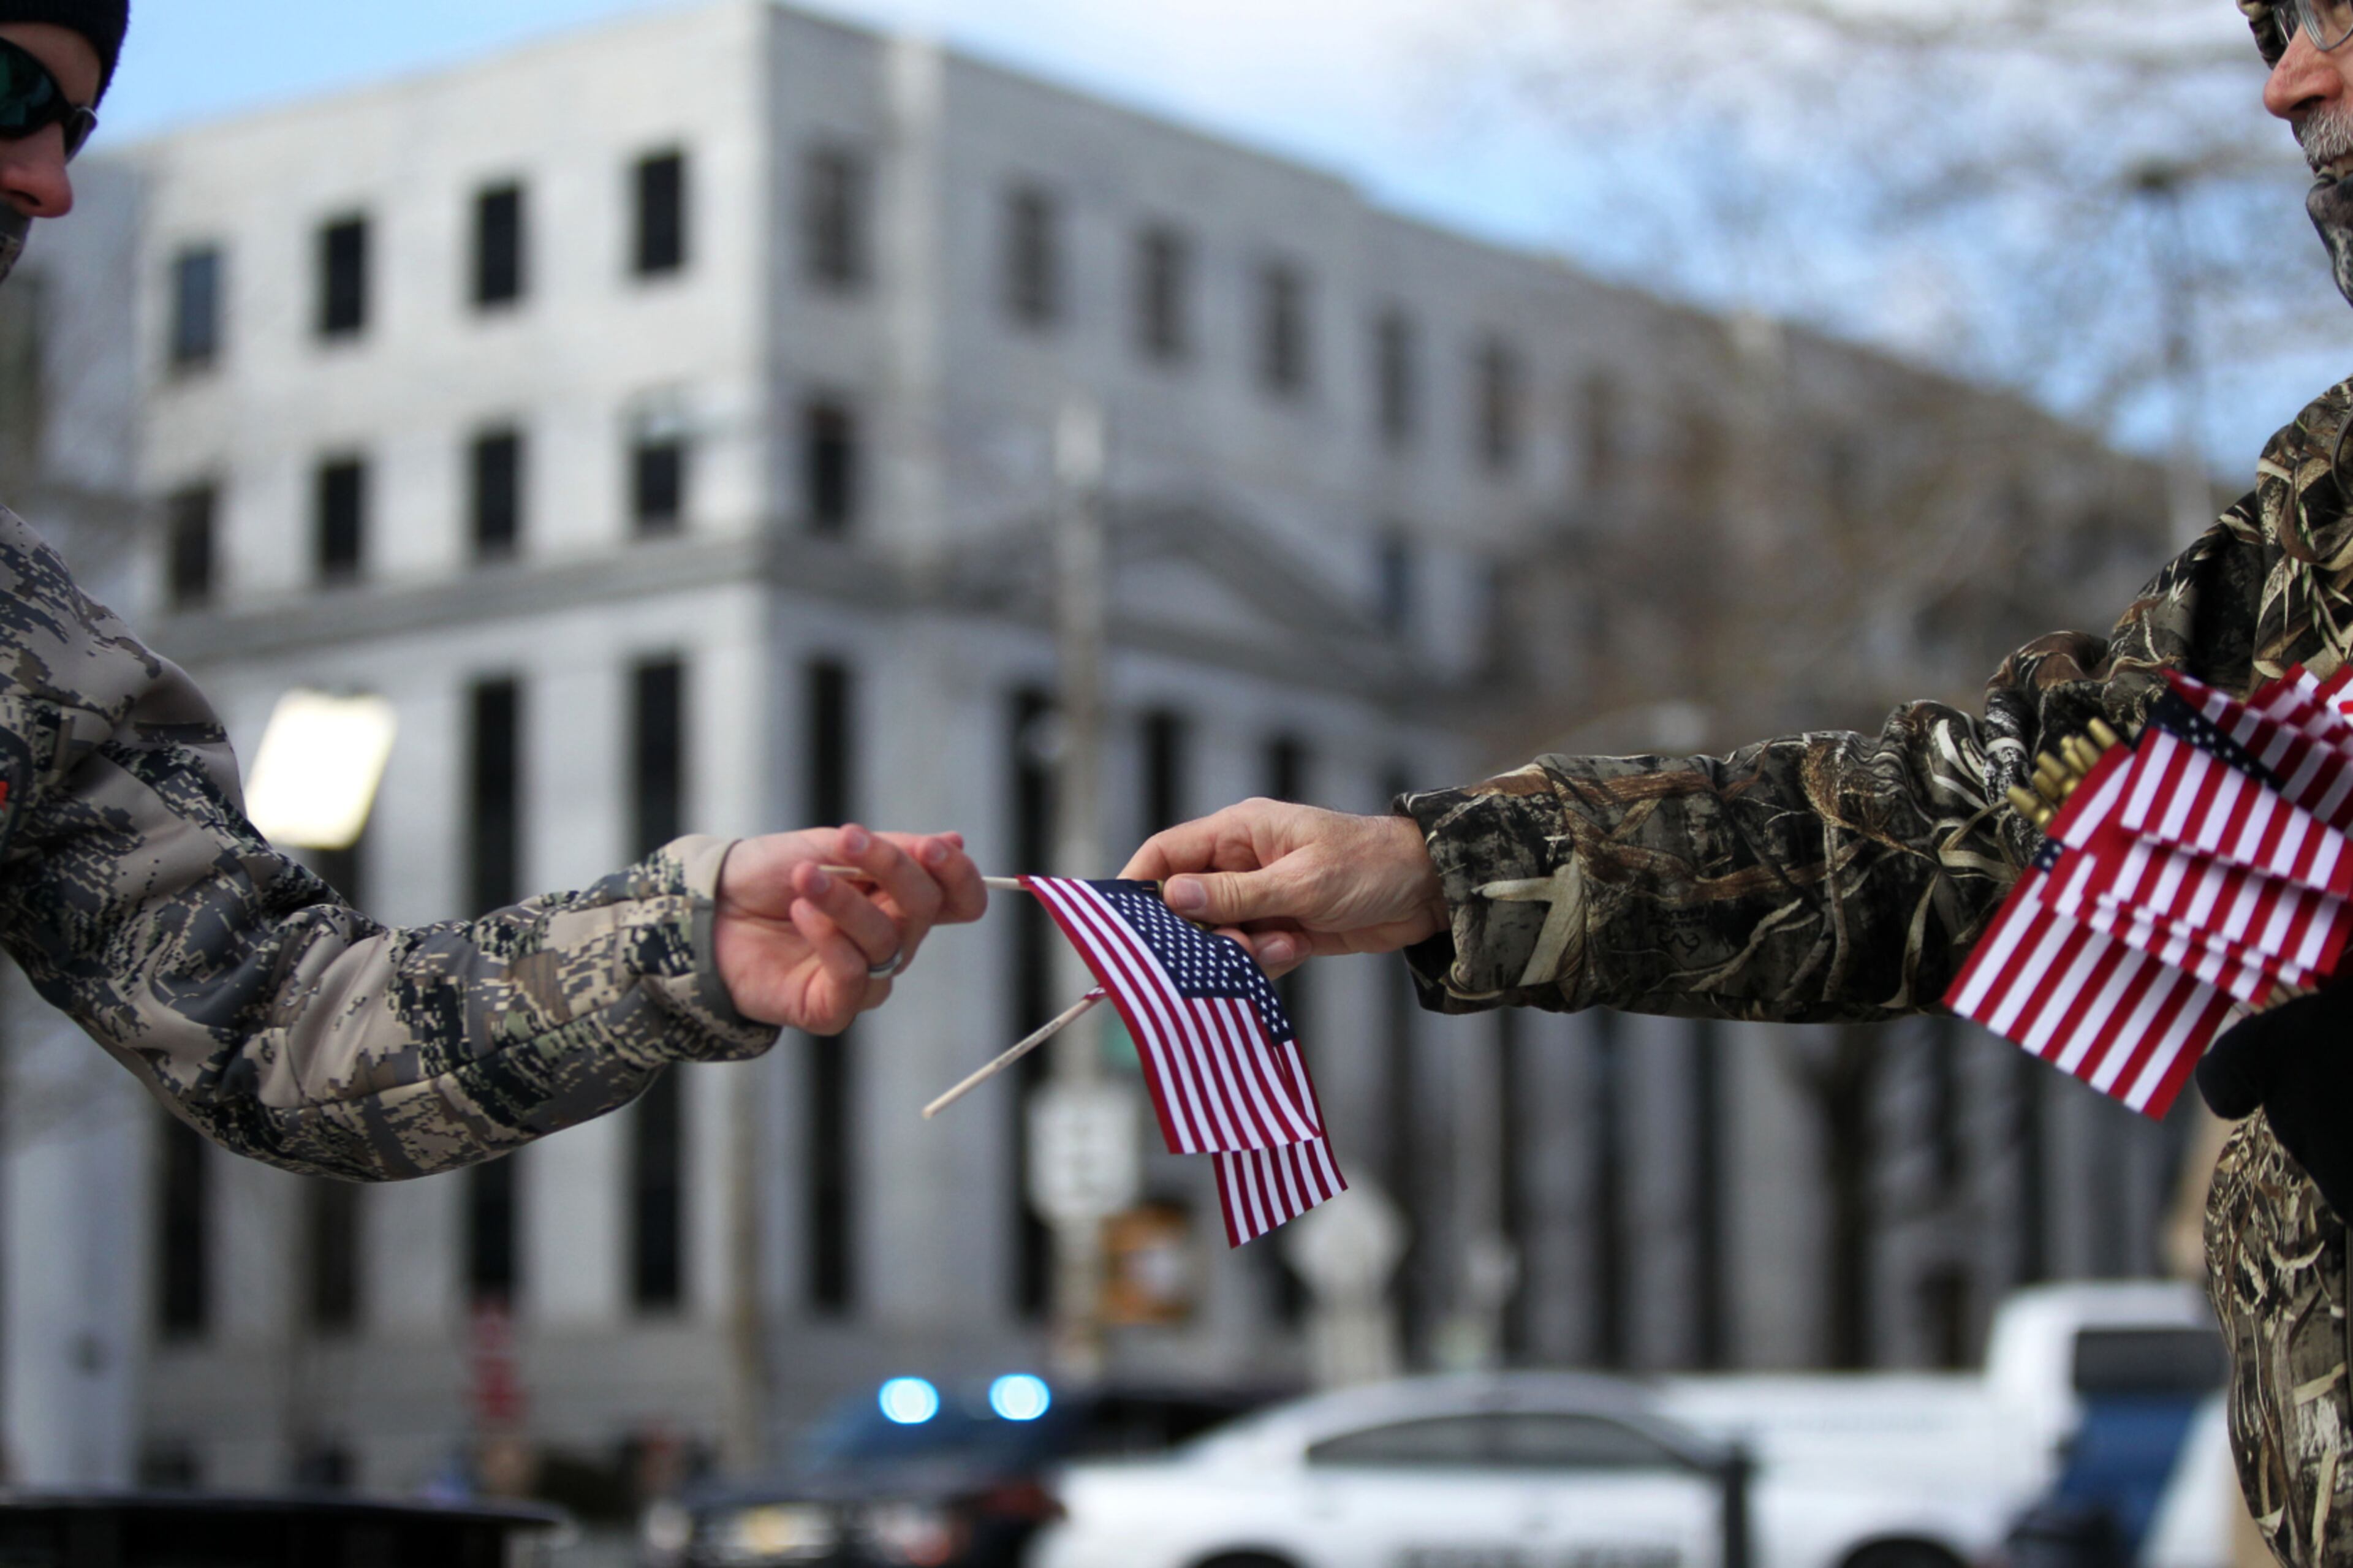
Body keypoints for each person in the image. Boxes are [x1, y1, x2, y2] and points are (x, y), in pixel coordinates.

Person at [1125, 5, 2353, 1562]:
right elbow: (1988, 813)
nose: (2284, 83)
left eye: (2330, 12)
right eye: (2273, 22)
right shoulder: (2329, 503)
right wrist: (1444, 868)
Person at [0, 2, 987, 1183]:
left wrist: (673, 945)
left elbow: (279, 1022)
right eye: (14, 93)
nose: (49, 182)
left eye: (75, 126)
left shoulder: (25, 624)